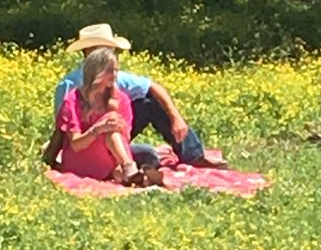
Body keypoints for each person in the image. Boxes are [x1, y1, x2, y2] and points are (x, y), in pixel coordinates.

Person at [43, 23, 227, 171]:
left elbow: (153, 86)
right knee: (147, 153)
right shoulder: (70, 86)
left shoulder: (116, 78)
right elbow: (64, 129)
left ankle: (192, 156)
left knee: (150, 104)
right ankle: (127, 166)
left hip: (112, 137)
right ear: (90, 53)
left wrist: (176, 118)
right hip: (85, 143)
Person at [56, 47, 150, 184]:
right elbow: (76, 144)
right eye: (110, 71)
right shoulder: (73, 99)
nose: (115, 75)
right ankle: (130, 170)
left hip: (112, 159)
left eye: (116, 70)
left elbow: (126, 138)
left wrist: (119, 124)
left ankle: (129, 171)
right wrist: (98, 129)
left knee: (142, 152)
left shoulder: (121, 99)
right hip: (82, 160)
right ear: (96, 72)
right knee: (110, 132)